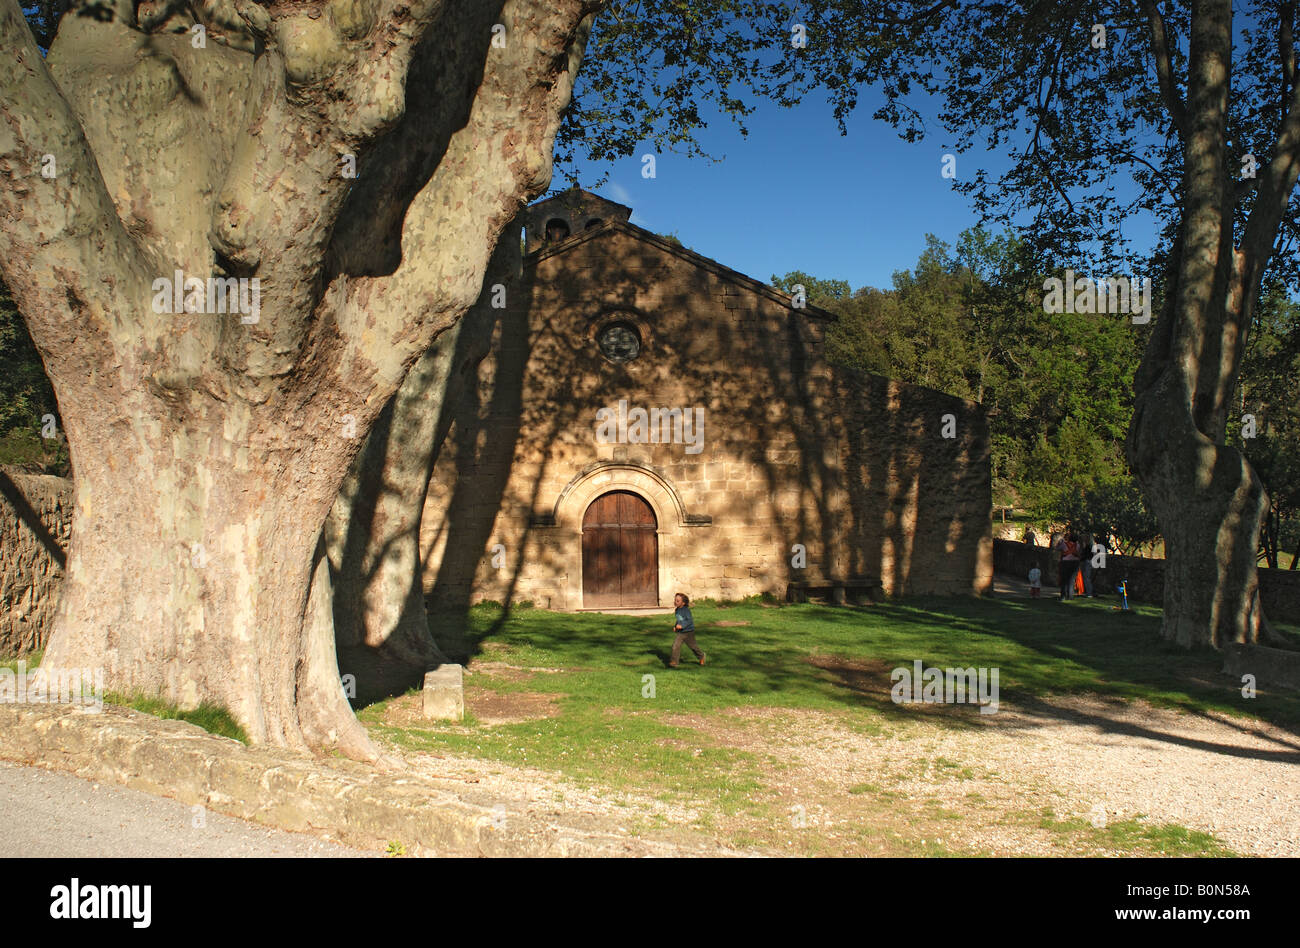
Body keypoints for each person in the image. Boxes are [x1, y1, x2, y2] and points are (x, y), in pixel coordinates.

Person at [668, 592, 705, 667]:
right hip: (681, 633)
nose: (675, 602)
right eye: (675, 600)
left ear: (683, 603)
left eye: (678, 601)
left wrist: (682, 626)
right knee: (675, 646)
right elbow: (679, 620)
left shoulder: (686, 611)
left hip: (688, 632)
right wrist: (676, 627)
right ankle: (674, 662)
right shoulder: (677, 610)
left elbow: (689, 620)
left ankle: (701, 656)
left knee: (693, 647)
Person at [1057, 532, 1081, 600]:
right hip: (1075, 562)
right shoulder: (1078, 545)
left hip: (1066, 562)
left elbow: (1057, 548)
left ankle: (1063, 596)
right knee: (1072, 580)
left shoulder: (1064, 544)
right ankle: (1070, 595)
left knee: (1064, 579)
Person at [1079, 531, 1096, 598]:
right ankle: (1088, 592)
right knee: (1086, 577)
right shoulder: (1089, 546)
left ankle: (1089, 593)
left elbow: (1087, 555)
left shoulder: (1089, 546)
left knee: (1087, 577)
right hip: (1087, 561)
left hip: (1087, 561)